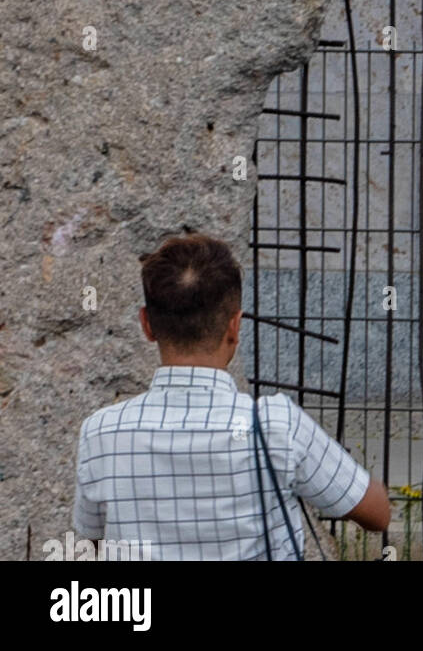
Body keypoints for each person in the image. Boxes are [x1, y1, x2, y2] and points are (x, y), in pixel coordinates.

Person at [74, 232, 390, 560]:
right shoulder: (277, 426)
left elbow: (95, 543)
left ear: (147, 325)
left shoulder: (100, 433)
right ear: (234, 327)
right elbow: (377, 512)